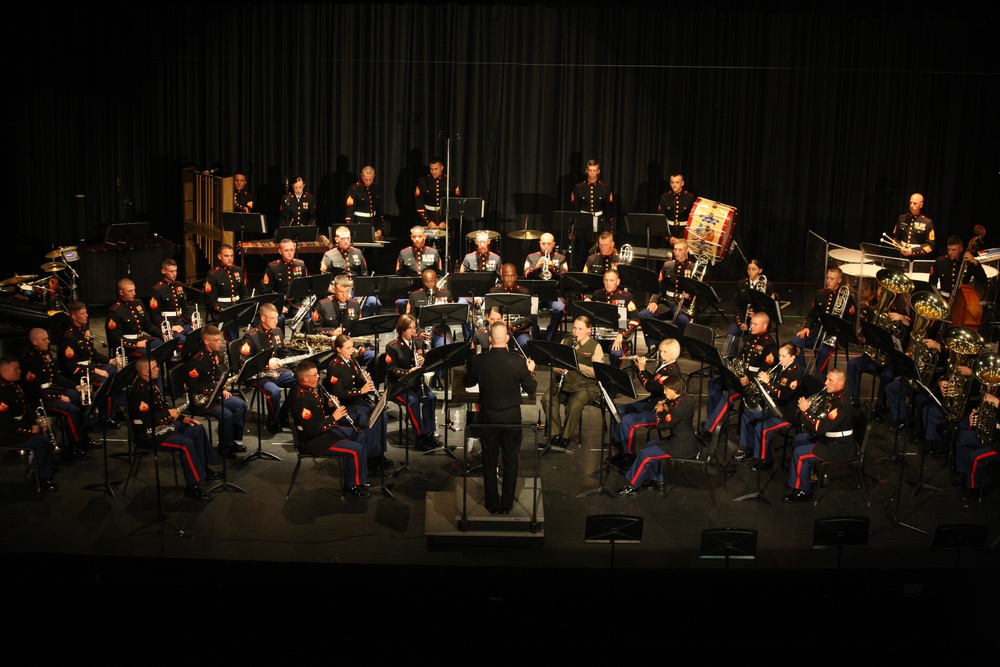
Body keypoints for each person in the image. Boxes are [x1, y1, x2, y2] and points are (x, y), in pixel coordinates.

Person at [464, 321, 537, 514]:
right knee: (511, 459)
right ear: (506, 339)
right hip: (512, 416)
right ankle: (506, 505)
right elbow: (531, 388)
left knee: (489, 459)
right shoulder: (518, 361)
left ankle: (491, 504)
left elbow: (468, 381)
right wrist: (530, 370)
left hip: (488, 415)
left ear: (489, 339)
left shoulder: (479, 361)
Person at [129, 358, 219, 502]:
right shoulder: (140, 391)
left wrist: (182, 419)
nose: (158, 369)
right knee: (186, 444)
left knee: (197, 428)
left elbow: (163, 406)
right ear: (146, 371)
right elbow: (146, 421)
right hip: (150, 434)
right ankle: (192, 486)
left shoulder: (150, 385)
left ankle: (203, 469)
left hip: (164, 425)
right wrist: (168, 415)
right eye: (155, 367)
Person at [288, 361, 371, 497]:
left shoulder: (308, 390)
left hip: (322, 433)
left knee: (359, 434)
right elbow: (311, 430)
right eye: (315, 375)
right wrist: (334, 417)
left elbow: (317, 415)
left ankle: (360, 479)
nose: (318, 377)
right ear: (305, 378)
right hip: (313, 442)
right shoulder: (301, 399)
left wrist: (329, 405)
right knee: (355, 449)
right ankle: (351, 485)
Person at [21, 328, 97, 456]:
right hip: (41, 398)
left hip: (50, 390)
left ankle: (84, 434)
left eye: (47, 338)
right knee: (70, 409)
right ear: (34, 342)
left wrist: (76, 386)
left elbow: (56, 377)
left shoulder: (45, 353)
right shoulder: (30, 362)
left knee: (84, 395)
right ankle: (75, 444)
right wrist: (58, 396)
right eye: (44, 339)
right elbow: (34, 391)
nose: (48, 341)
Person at [784, 368, 856, 503]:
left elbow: (822, 428)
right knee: (799, 439)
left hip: (839, 447)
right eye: (826, 379)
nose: (826, 383)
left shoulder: (842, 404)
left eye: (830, 380)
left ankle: (804, 490)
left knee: (800, 454)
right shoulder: (834, 396)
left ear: (840, 383)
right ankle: (802, 478)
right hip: (830, 438)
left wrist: (807, 411)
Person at [616, 376, 696, 495]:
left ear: (674, 390)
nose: (664, 392)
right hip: (682, 439)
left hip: (680, 445)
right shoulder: (685, 398)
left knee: (646, 454)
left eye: (666, 390)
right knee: (650, 445)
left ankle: (633, 485)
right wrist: (667, 408)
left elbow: (662, 426)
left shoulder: (678, 409)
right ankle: (658, 480)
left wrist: (659, 412)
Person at [702, 311, 777, 437]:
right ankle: (713, 420)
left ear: (764, 326)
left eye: (755, 324)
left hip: (752, 385)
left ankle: (711, 429)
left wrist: (750, 380)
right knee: (714, 383)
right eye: (751, 323)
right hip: (740, 377)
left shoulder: (769, 345)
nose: (751, 326)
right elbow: (741, 355)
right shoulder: (750, 336)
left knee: (730, 396)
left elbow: (766, 371)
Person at [610, 338, 681, 466]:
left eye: (664, 352)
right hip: (652, 402)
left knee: (628, 422)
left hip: (661, 410)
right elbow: (653, 381)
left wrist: (642, 370)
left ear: (673, 354)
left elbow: (652, 386)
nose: (660, 354)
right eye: (660, 351)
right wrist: (639, 368)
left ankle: (628, 456)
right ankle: (620, 446)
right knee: (619, 411)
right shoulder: (665, 364)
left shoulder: (672, 372)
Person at [324, 334, 388, 472]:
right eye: (348, 348)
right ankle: (370, 457)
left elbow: (356, 381)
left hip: (357, 401)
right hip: (346, 406)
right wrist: (361, 390)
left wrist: (364, 379)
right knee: (368, 420)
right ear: (338, 349)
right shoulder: (334, 367)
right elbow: (340, 393)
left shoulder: (351, 360)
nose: (352, 350)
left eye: (352, 347)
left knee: (382, 416)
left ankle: (379, 453)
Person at [734, 343, 804, 469]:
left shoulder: (795, 374)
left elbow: (784, 395)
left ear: (792, 357)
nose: (780, 359)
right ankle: (749, 449)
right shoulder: (781, 367)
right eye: (779, 355)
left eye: (783, 356)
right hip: (773, 407)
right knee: (747, 416)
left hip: (786, 413)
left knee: (762, 428)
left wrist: (768, 383)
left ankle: (765, 460)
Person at [541, 316, 604, 448]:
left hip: (585, 386)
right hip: (565, 384)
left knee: (574, 404)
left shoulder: (595, 346)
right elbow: (555, 362)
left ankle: (566, 436)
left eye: (580, 329)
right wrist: (557, 369)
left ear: (588, 330)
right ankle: (556, 432)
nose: (576, 332)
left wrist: (576, 365)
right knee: (547, 398)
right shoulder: (566, 341)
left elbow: (597, 372)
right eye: (574, 328)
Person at [187, 326, 247, 459]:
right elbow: (193, 386)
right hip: (202, 400)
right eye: (216, 340)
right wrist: (215, 388)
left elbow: (217, 374)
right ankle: (225, 447)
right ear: (206, 341)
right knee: (226, 415)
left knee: (241, 405)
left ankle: (233, 441)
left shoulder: (213, 354)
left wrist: (223, 388)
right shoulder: (197, 360)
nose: (220, 343)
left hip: (215, 394)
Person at [238, 302, 299, 434]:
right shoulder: (251, 336)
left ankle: (284, 415)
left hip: (275, 373)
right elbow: (245, 360)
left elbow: (285, 353)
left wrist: (298, 369)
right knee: (274, 392)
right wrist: (266, 363)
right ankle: (273, 420)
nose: (276, 321)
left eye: (277, 317)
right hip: (258, 375)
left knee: (300, 379)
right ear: (263, 318)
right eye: (272, 318)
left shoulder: (277, 331)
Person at [0, 356, 58, 492]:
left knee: (49, 432)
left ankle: (36, 467)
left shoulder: (13, 385)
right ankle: (42, 478)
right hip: (7, 433)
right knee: (42, 442)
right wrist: (30, 429)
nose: (20, 371)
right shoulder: (1, 392)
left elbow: (26, 408)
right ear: (4, 370)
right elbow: (5, 423)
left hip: (15, 427)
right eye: (16, 369)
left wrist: (37, 420)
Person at [61, 300, 120, 428]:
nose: (87, 315)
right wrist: (94, 371)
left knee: (113, 370)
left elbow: (92, 353)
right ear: (74, 316)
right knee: (106, 381)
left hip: (89, 366)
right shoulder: (69, 337)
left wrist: (109, 360)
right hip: (78, 374)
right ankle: (104, 417)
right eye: (83, 313)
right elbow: (73, 368)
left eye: (86, 312)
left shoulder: (85, 329)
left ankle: (111, 410)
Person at [384, 314, 440, 450]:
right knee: (413, 402)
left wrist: (423, 361)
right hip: (397, 386)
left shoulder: (418, 342)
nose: (414, 332)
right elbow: (391, 369)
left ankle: (429, 433)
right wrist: (408, 372)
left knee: (431, 398)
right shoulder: (392, 346)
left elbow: (426, 362)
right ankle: (419, 436)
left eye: (414, 328)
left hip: (415, 383)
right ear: (402, 329)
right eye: (410, 329)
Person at [789, 266, 856, 376]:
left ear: (839, 280)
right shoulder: (820, 294)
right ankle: (801, 373)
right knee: (794, 342)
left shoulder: (847, 298)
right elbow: (812, 314)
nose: (828, 281)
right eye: (827, 278)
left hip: (834, 334)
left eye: (832, 279)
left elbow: (848, 322)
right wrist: (806, 327)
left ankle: (819, 378)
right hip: (817, 331)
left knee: (823, 351)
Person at [638, 239, 696, 337]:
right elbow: (659, 287)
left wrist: (690, 294)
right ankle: (656, 343)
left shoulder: (692, 267)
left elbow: (697, 290)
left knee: (682, 320)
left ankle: (679, 345)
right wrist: (653, 302)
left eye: (680, 250)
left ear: (686, 251)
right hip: (667, 304)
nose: (676, 252)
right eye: (675, 249)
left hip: (683, 306)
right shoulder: (667, 265)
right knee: (644, 315)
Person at [585, 269, 639, 368]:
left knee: (616, 355)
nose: (608, 283)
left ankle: (612, 375)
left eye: (611, 280)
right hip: (598, 334)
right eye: (606, 280)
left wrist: (621, 335)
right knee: (586, 350)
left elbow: (635, 319)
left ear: (618, 282)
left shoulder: (626, 297)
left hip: (617, 336)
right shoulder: (597, 294)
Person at [723, 259, 774, 356]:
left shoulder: (768, 285)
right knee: (732, 333)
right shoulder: (741, 284)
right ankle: (731, 359)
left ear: (760, 270)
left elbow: (769, 307)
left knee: (751, 338)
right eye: (749, 269)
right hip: (744, 318)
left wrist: (757, 315)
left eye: (754, 269)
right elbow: (737, 305)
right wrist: (741, 322)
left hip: (759, 320)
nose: (750, 272)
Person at [955, 394, 1000, 504]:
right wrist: (977, 415)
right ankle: (966, 476)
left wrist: (997, 402)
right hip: (993, 436)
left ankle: (973, 489)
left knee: (976, 457)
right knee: (962, 437)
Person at [523, 232, 567, 340]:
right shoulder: (531, 257)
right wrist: (537, 266)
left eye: (549, 244)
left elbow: (565, 277)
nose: (546, 246)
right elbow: (525, 274)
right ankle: (534, 333)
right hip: (535, 293)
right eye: (543, 244)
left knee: (559, 308)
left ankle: (549, 335)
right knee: (528, 308)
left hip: (554, 293)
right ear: (539, 243)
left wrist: (554, 268)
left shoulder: (561, 258)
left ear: (553, 244)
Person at [106, 278, 163, 359]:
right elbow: (115, 338)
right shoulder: (115, 311)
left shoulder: (138, 303)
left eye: (134, 290)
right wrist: (135, 344)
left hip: (141, 339)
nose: (134, 293)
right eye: (130, 291)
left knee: (163, 345)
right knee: (150, 354)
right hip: (128, 347)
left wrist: (161, 334)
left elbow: (147, 325)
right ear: (121, 292)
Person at [396, 225, 444, 313]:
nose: (417, 239)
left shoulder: (433, 253)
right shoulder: (404, 253)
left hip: (428, 291)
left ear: (425, 236)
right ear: (411, 237)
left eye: (420, 236)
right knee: (401, 302)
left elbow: (439, 276)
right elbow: (399, 276)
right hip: (409, 291)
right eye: (414, 237)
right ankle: (404, 325)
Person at [488, 263, 536, 348]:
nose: (510, 279)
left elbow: (532, 318)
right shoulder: (493, 292)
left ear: (516, 276)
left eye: (512, 276)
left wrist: (512, 324)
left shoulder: (525, 292)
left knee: (525, 342)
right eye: (507, 276)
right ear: (502, 277)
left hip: (519, 331)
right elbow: (487, 315)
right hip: (497, 330)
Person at [204, 244, 248, 336]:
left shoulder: (238, 270)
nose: (230, 259)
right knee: (231, 324)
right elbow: (210, 300)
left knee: (258, 319)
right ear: (219, 257)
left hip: (238, 306)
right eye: (226, 256)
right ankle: (234, 348)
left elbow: (243, 293)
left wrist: (246, 306)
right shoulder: (213, 274)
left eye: (232, 256)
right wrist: (224, 309)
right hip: (222, 310)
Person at [929, 235, 987, 303]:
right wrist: (939, 298)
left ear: (961, 249)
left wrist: (975, 262)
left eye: (953, 250)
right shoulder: (941, 262)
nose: (950, 253)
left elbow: (983, 280)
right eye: (948, 249)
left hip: (962, 300)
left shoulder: (968, 262)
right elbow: (932, 282)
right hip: (944, 299)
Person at [148, 258, 193, 347]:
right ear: (163, 271)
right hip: (168, 325)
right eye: (171, 271)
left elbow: (184, 308)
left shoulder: (178, 285)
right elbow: (155, 316)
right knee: (184, 340)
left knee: (199, 335)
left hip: (182, 322)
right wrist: (171, 327)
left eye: (175, 271)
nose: (174, 274)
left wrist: (192, 320)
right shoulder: (157, 290)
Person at [261, 238, 307, 322]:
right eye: (286, 250)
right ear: (280, 251)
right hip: (280, 304)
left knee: (309, 316)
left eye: (291, 250)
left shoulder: (301, 264)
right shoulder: (272, 267)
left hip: (296, 303)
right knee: (279, 319)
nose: (290, 253)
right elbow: (266, 292)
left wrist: (304, 303)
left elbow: (305, 287)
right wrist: (277, 306)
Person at [571, 158, 614, 243]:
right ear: (586, 170)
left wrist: (609, 229)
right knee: (582, 247)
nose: (592, 173)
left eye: (594, 170)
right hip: (583, 221)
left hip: (599, 221)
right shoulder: (579, 187)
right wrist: (572, 229)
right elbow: (574, 209)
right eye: (590, 170)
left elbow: (609, 210)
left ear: (598, 171)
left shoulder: (604, 188)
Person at [415, 158, 460, 230]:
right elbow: (419, 203)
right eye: (431, 169)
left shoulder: (451, 181)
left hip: (445, 216)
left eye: (436, 169)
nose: (433, 172)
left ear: (442, 168)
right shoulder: (423, 182)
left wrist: (446, 221)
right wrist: (428, 221)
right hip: (429, 216)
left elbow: (456, 202)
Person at [345, 165, 383, 240]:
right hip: (359, 223)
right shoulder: (354, 189)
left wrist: (379, 228)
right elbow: (349, 211)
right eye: (366, 179)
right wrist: (351, 229)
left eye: (371, 179)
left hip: (373, 224)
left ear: (374, 176)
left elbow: (379, 210)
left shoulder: (376, 187)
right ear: (361, 175)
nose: (368, 182)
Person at [890, 193, 933, 258]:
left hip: (918, 259)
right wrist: (900, 247)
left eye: (915, 203)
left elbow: (930, 246)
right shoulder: (902, 218)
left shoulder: (927, 222)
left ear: (921, 205)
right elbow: (894, 238)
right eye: (910, 203)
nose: (911, 205)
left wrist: (913, 251)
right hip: (901, 256)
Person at [657, 173, 696, 243]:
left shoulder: (690, 197)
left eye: (677, 182)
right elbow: (661, 219)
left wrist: (680, 239)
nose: (674, 185)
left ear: (682, 183)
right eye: (672, 182)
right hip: (668, 236)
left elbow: (693, 220)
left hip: (684, 235)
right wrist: (669, 237)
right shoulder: (665, 197)